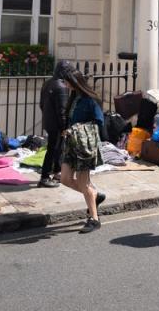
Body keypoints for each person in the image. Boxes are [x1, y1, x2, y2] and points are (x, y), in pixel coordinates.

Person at [60, 72, 107, 233]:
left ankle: (94, 219)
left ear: (75, 82)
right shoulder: (74, 98)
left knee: (83, 183)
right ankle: (94, 195)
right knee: (64, 179)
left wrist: (78, 128)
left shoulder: (90, 100)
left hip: (84, 146)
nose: (66, 85)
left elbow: (99, 122)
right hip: (71, 144)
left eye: (67, 82)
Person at [38, 61, 79, 188]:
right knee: (53, 149)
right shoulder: (61, 87)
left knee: (58, 148)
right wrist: (64, 127)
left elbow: (41, 104)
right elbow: (62, 111)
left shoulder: (47, 83)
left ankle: (56, 172)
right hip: (56, 124)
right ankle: (45, 177)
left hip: (49, 121)